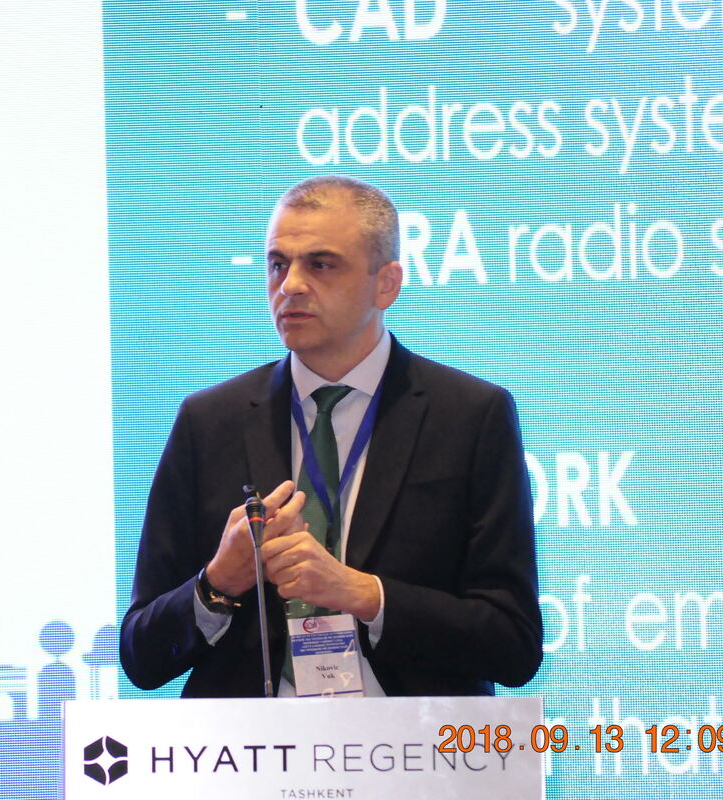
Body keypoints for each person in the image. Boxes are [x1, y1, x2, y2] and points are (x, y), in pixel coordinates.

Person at [120, 176, 541, 697]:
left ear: (386, 284)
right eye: (278, 265)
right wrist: (218, 583)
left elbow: (513, 644)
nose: (290, 285)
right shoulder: (209, 422)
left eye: (320, 265)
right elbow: (140, 656)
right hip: (249, 744)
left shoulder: (470, 416)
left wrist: (364, 594)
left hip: (413, 742)